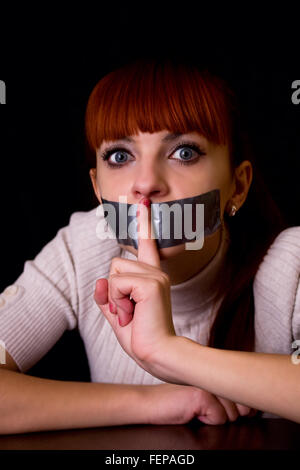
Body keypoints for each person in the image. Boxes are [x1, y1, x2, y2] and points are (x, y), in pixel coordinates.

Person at [0, 56, 299, 435]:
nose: (146, 183)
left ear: (237, 185)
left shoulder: (289, 265)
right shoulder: (83, 249)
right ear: (97, 189)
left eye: (184, 152)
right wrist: (154, 401)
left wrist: (169, 354)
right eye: (120, 156)